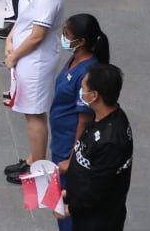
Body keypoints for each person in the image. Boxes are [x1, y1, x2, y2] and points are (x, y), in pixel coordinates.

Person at [3, 0, 66, 184]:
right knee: (28, 109)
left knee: (34, 112)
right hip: (22, 53)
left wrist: (15, 56)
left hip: (35, 59)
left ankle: (38, 167)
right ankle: (32, 158)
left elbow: (38, 35)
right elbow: (24, 18)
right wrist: (10, 38)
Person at [46, 14, 110, 231]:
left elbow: (84, 122)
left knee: (67, 205)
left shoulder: (87, 73)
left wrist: (71, 161)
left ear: (81, 41)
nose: (63, 38)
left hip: (69, 148)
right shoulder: (75, 59)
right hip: (60, 141)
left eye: (67, 35)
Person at [57, 63, 133, 231]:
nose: (80, 91)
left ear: (94, 95)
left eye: (83, 86)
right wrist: (69, 193)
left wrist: (70, 209)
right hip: (84, 211)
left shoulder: (111, 141)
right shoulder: (101, 117)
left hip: (98, 222)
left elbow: (98, 189)